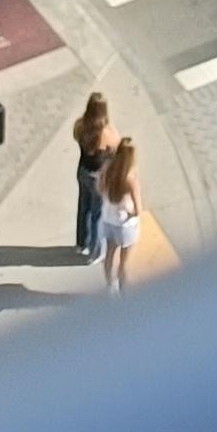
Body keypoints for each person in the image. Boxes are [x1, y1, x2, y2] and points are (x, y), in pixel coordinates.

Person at [97, 135, 144, 292]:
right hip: (125, 226)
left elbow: (99, 189)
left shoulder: (107, 170)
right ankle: (124, 292)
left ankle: (110, 286)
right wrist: (129, 210)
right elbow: (138, 210)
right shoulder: (130, 181)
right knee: (124, 262)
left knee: (109, 255)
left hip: (108, 220)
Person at [71, 91, 113, 263]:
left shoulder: (80, 125)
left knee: (83, 208)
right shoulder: (104, 133)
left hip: (82, 171)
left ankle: (82, 243)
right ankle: (95, 252)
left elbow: (77, 138)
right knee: (97, 213)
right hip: (97, 177)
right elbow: (113, 148)